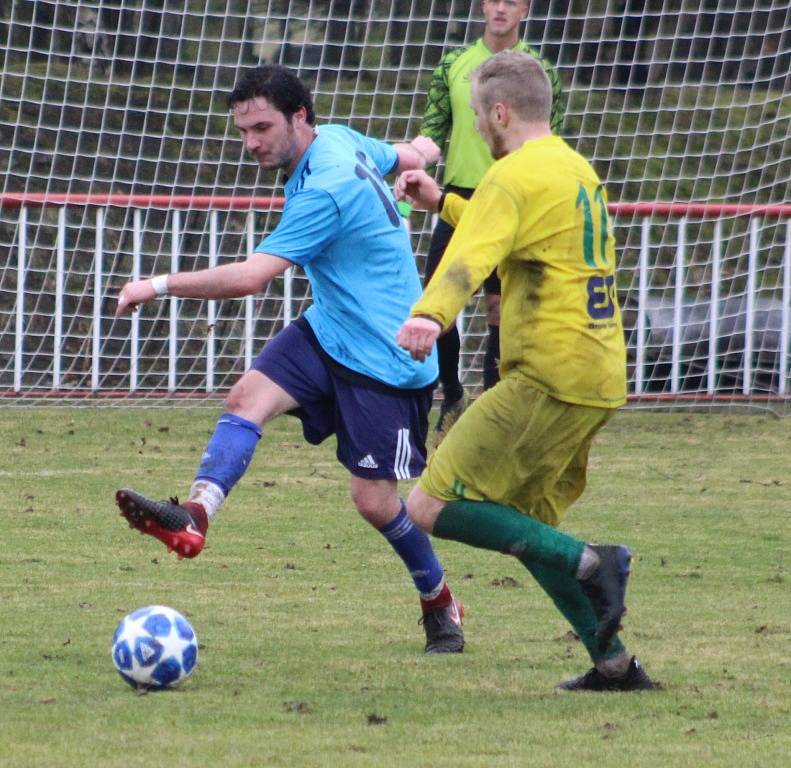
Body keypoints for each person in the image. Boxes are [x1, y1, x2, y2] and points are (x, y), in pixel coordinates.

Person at [113, 65, 464, 655]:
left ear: (300, 116)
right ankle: (196, 515)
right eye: (244, 130)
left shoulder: (324, 187)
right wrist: (423, 152)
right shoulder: (341, 137)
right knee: (245, 399)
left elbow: (252, 278)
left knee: (375, 503)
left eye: (262, 127)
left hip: (387, 356)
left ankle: (438, 600)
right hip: (329, 329)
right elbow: (404, 151)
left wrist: (156, 285)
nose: (252, 142)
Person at [395, 50, 656, 690]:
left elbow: (475, 252)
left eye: (479, 117)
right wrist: (443, 203)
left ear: (500, 111)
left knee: (428, 504)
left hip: (545, 375)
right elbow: (506, 224)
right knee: (528, 527)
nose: (479, 129)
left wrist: (431, 314)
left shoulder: (513, 177)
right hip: (597, 375)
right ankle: (615, 664)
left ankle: (597, 560)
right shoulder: (572, 168)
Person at [409, 0, 565, 443]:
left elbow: (548, 138)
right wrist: (410, 158)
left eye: (511, 1)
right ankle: (453, 396)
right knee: (441, 302)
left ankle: (494, 402)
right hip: (455, 196)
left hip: (513, 197)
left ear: (526, 10)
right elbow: (432, 131)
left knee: (502, 307)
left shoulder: (542, 72)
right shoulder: (453, 65)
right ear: (482, 6)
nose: (501, 8)